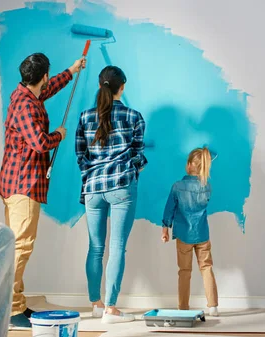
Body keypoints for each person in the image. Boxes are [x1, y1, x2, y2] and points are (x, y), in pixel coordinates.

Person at [0, 52, 86, 328]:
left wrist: (71, 71)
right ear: (42, 75)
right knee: (21, 248)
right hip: (22, 185)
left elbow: (47, 90)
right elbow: (39, 142)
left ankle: (17, 304)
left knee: (19, 246)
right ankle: (11, 310)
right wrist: (59, 134)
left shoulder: (28, 93)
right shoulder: (26, 105)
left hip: (19, 182)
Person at [75, 65, 147, 324]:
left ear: (100, 85)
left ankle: (96, 303)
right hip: (121, 187)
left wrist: (92, 176)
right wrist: (130, 169)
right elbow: (138, 153)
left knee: (96, 247)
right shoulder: (134, 116)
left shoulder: (84, 117)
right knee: (116, 247)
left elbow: (80, 155)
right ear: (122, 87)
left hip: (93, 188)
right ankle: (111, 309)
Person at [161, 147, 219, 317]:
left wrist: (165, 229)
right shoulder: (207, 187)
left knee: (184, 271)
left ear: (190, 165)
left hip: (184, 235)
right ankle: (213, 306)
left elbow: (169, 209)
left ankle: (183, 308)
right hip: (202, 234)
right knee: (206, 268)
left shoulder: (178, 186)